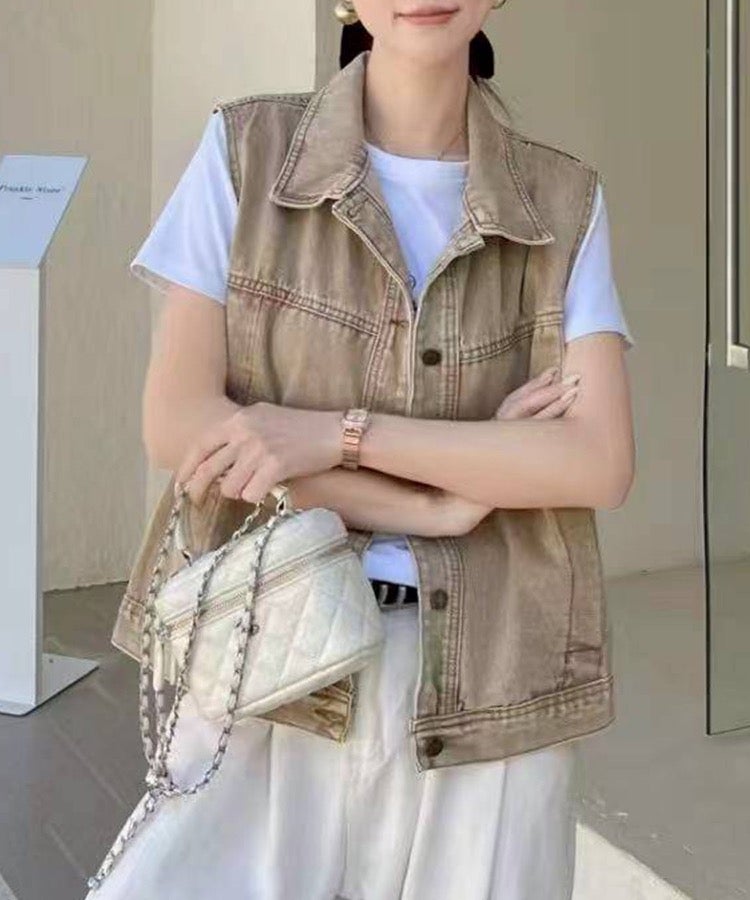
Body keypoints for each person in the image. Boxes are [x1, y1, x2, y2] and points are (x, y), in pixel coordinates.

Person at [88, 2, 635, 898]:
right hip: (269, 661)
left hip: (493, 684)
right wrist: (435, 502)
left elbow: (597, 462)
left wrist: (333, 437)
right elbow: (180, 427)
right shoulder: (247, 154)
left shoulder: (564, 201)